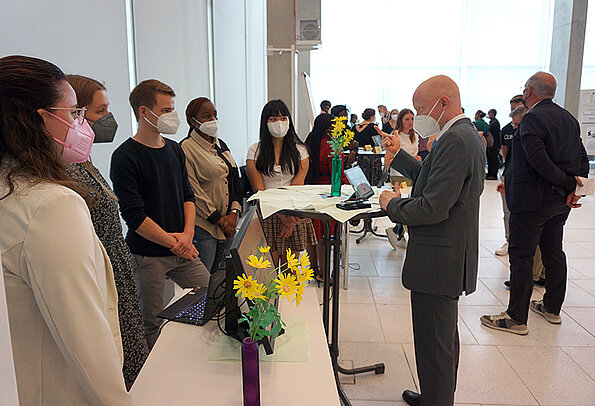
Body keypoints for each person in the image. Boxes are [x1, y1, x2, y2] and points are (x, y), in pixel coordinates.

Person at [0, 55, 133, 405]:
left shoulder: (11, 190)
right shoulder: (50, 205)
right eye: (74, 113)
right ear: (37, 118)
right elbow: (85, 338)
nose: (82, 123)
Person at [379, 75, 485, 406]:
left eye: (422, 108)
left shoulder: (455, 139)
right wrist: (398, 155)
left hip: (440, 259)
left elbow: (434, 206)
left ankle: (437, 400)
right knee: (439, 340)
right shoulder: (460, 135)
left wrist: (390, 205)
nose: (418, 115)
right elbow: (433, 178)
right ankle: (435, 396)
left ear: (443, 103)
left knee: (435, 342)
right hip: (447, 256)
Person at [481, 72, 589, 334]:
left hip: (531, 202)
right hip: (559, 203)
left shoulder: (532, 118)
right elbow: (582, 157)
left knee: (522, 256)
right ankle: (551, 308)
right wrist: (573, 188)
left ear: (529, 91)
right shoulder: (568, 119)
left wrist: (565, 184)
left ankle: (516, 317)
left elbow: (537, 161)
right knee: (553, 252)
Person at [110, 79, 210, 349]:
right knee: (150, 321)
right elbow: (135, 217)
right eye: (166, 110)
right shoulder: (124, 157)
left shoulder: (174, 150)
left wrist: (188, 235)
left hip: (183, 249)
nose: (172, 116)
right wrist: (177, 243)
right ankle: (152, 381)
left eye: (171, 109)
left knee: (211, 297)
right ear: (144, 112)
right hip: (148, 256)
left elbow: (188, 195)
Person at [65, 74, 148, 387]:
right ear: (77, 115)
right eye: (100, 111)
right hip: (100, 271)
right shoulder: (63, 169)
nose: (108, 119)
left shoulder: (84, 162)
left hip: (116, 265)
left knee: (132, 352)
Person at [246, 100, 318, 264]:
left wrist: (289, 220)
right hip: (267, 213)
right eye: (273, 119)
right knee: (267, 269)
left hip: (294, 212)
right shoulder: (254, 151)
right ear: (265, 122)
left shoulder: (301, 150)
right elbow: (259, 190)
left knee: (290, 270)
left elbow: (297, 186)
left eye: (283, 117)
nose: (279, 122)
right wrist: (282, 216)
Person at [180, 97, 242, 274]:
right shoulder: (185, 148)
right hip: (204, 227)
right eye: (206, 116)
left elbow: (234, 179)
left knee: (222, 279)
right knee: (203, 282)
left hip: (227, 224)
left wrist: (234, 213)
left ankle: (220, 304)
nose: (213, 120)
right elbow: (193, 190)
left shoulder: (220, 144)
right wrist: (220, 219)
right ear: (193, 121)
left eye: (214, 115)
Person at [304, 113, 349, 281]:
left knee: (312, 235)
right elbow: (337, 172)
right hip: (328, 188)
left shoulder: (309, 142)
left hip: (311, 188)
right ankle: (324, 274)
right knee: (324, 235)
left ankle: (313, 271)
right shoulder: (332, 145)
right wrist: (344, 185)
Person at [381, 108, 419, 250]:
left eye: (412, 119)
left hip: (413, 173)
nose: (410, 122)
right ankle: (398, 230)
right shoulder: (395, 136)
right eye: (407, 119)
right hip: (399, 174)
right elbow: (388, 159)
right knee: (403, 202)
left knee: (410, 201)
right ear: (401, 121)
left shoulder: (415, 136)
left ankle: (398, 231)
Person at [494, 95, 524, 256]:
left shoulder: (533, 128)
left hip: (526, 179)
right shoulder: (506, 129)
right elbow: (506, 153)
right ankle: (509, 240)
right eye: (513, 109)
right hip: (509, 175)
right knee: (508, 212)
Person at [486, 108, 501, 180]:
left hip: (494, 144)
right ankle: (490, 173)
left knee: (494, 160)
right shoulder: (492, 122)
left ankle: (493, 174)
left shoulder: (494, 123)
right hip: (492, 144)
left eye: (489, 113)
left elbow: (494, 134)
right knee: (490, 159)